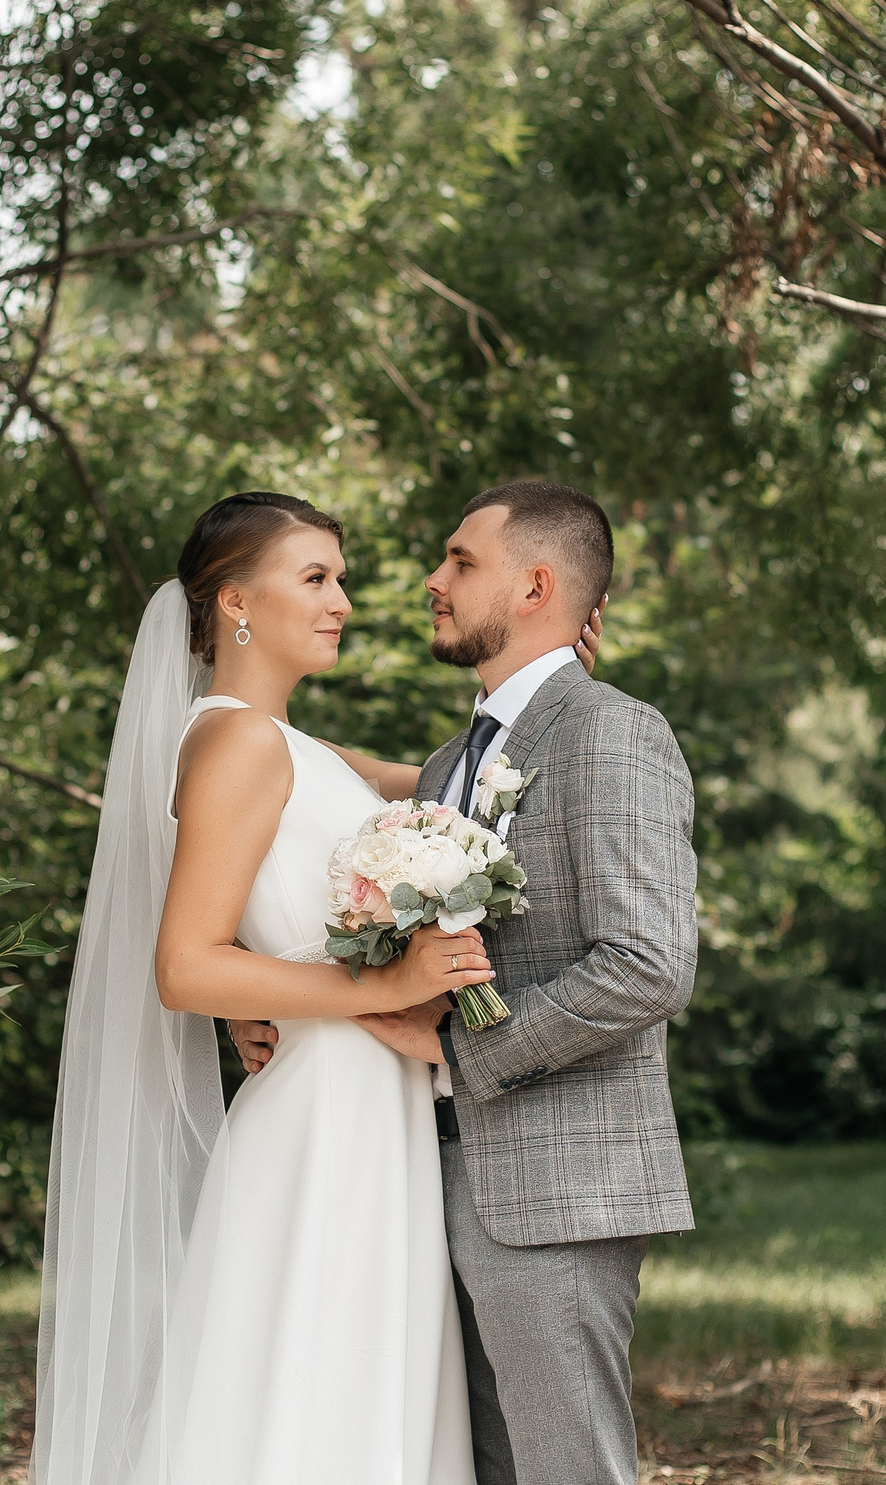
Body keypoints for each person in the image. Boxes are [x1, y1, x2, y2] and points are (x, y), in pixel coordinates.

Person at [234, 480, 699, 1485]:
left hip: (555, 1184)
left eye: (459, 562)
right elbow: (290, 793)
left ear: (534, 587)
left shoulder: (611, 731)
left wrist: (462, 1048)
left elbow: (647, 966)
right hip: (417, 1173)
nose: (431, 582)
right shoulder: (455, 760)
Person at [32, 491, 497, 1485]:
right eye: (316, 578)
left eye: (342, 579)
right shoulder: (237, 741)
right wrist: (383, 987)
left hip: (366, 1106)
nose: (344, 602)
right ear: (235, 603)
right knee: (306, 1393)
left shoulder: (296, 748)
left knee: (355, 1388)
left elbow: (441, 783)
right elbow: (186, 964)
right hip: (320, 1115)